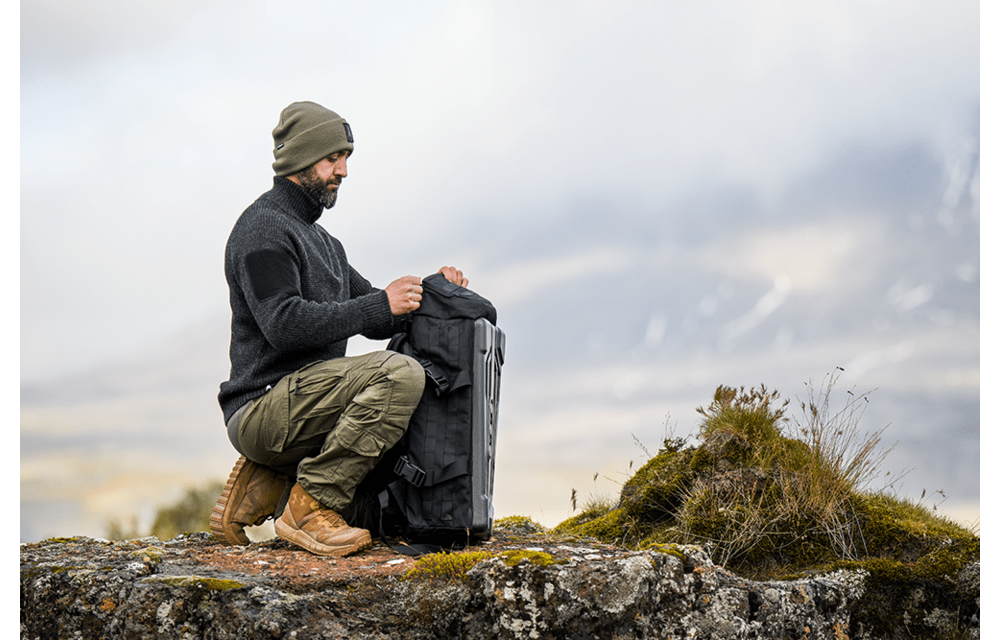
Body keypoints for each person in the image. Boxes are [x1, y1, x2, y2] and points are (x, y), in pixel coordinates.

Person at [211, 101, 468, 557]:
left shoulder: (326, 243)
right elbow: (284, 325)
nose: (344, 170)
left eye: (346, 158)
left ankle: (272, 481)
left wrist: (435, 293)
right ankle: (307, 507)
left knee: (381, 517)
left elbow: (377, 312)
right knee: (400, 373)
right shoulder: (262, 229)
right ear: (301, 160)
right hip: (262, 406)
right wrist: (377, 305)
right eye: (334, 158)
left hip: (308, 408)